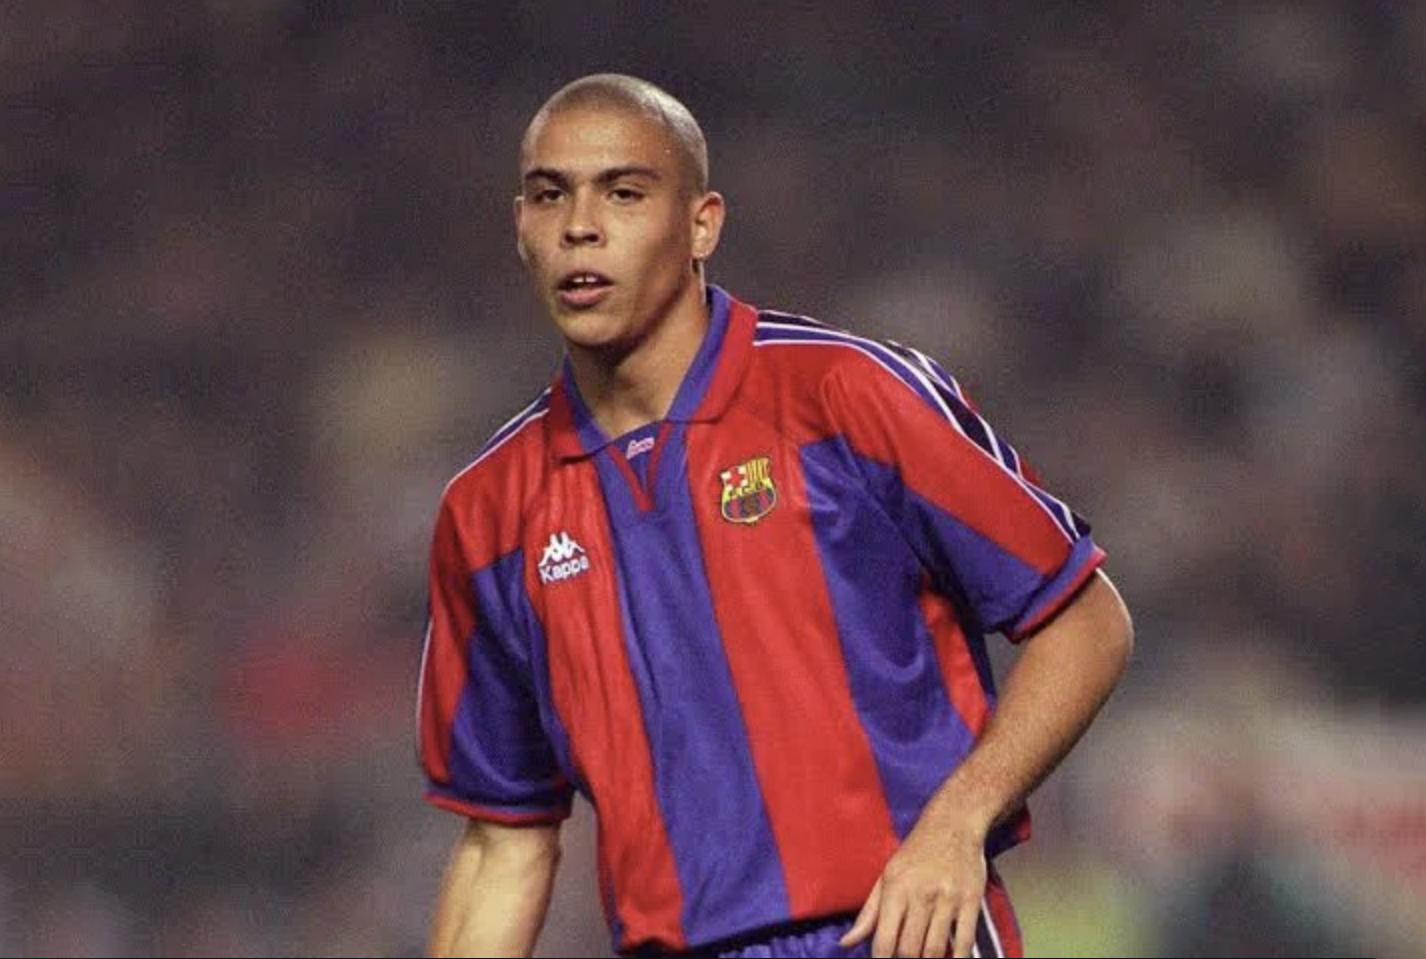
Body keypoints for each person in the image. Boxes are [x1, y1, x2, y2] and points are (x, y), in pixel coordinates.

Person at [415, 72, 1134, 959]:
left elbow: (1085, 621)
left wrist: (958, 822)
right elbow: (503, 840)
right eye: (549, 195)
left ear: (702, 224)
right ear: (520, 226)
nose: (581, 227)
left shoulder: (847, 397)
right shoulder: (489, 513)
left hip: (903, 935)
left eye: (624, 193)